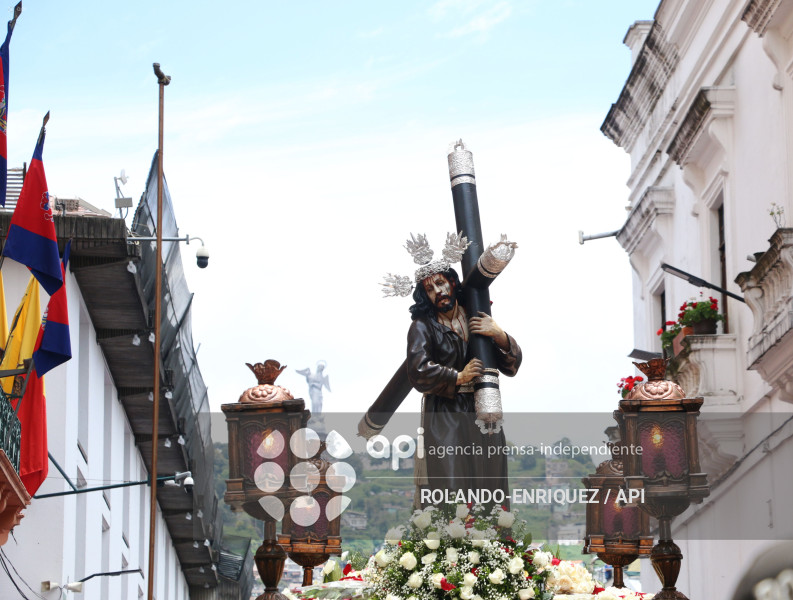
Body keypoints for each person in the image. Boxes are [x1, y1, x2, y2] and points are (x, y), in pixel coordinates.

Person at [407, 266, 521, 506]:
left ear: (451, 282)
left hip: (483, 407)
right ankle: (452, 540)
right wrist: (458, 376)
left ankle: (497, 542)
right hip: (444, 415)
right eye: (430, 289)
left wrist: (499, 334)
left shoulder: (477, 315)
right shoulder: (422, 327)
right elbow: (418, 370)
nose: (438, 291)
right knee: (451, 484)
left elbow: (511, 366)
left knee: (490, 482)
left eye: (441, 283)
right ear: (424, 296)